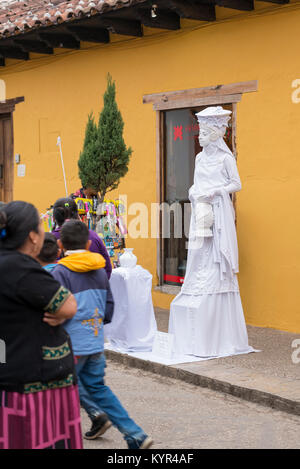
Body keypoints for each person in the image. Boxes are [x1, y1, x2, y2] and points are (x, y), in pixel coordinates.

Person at [52, 220, 153, 449]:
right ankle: (134, 433)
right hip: (96, 342)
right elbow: (109, 308)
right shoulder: (99, 271)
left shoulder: (60, 272)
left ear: (60, 245)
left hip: (70, 346)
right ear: (88, 243)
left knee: (61, 391)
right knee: (98, 388)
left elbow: (56, 309)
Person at [0, 201, 83, 449]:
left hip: (9, 371)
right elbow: (68, 305)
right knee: (38, 439)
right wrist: (59, 311)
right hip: (31, 383)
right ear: (32, 236)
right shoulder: (20, 267)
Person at [52, 197, 112, 279]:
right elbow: (107, 268)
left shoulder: (51, 239)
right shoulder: (92, 236)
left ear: (54, 218)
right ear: (78, 215)